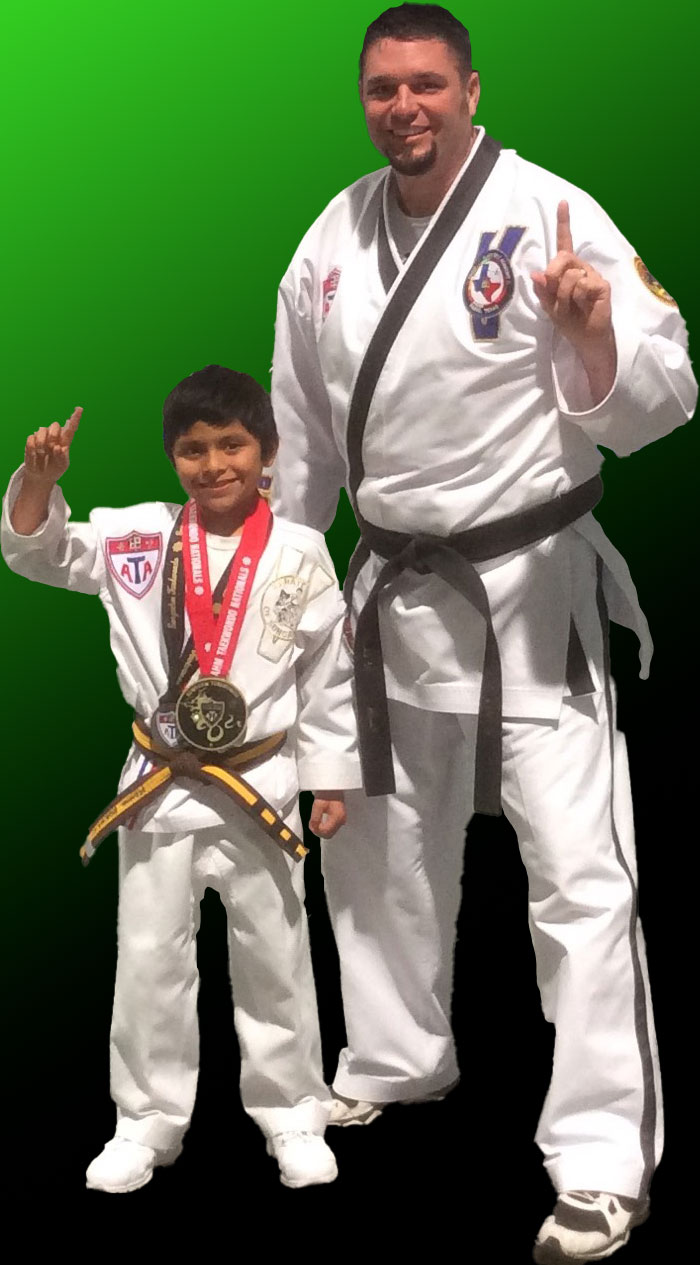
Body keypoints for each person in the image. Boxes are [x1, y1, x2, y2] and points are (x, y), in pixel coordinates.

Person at [269, 4, 697, 1260]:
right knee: (374, 850)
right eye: (381, 89)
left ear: (469, 89)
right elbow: (301, 439)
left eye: (425, 84)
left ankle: (601, 1152)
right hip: (389, 596)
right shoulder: (329, 239)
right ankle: (394, 1057)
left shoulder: (552, 211)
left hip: (525, 595)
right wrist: (280, 605)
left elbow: (667, 394)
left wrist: (593, 335)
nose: (402, 107)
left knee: (579, 878)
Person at [1, 365, 361, 1194]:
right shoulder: (134, 534)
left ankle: (293, 1111)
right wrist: (39, 482)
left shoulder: (301, 550)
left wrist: (331, 779)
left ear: (268, 452)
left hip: (261, 781)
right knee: (149, 957)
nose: (213, 464)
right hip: (159, 783)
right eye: (193, 449)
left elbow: (327, 677)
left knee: (276, 954)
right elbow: (38, 551)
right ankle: (146, 1121)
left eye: (232, 444)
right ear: (172, 457)